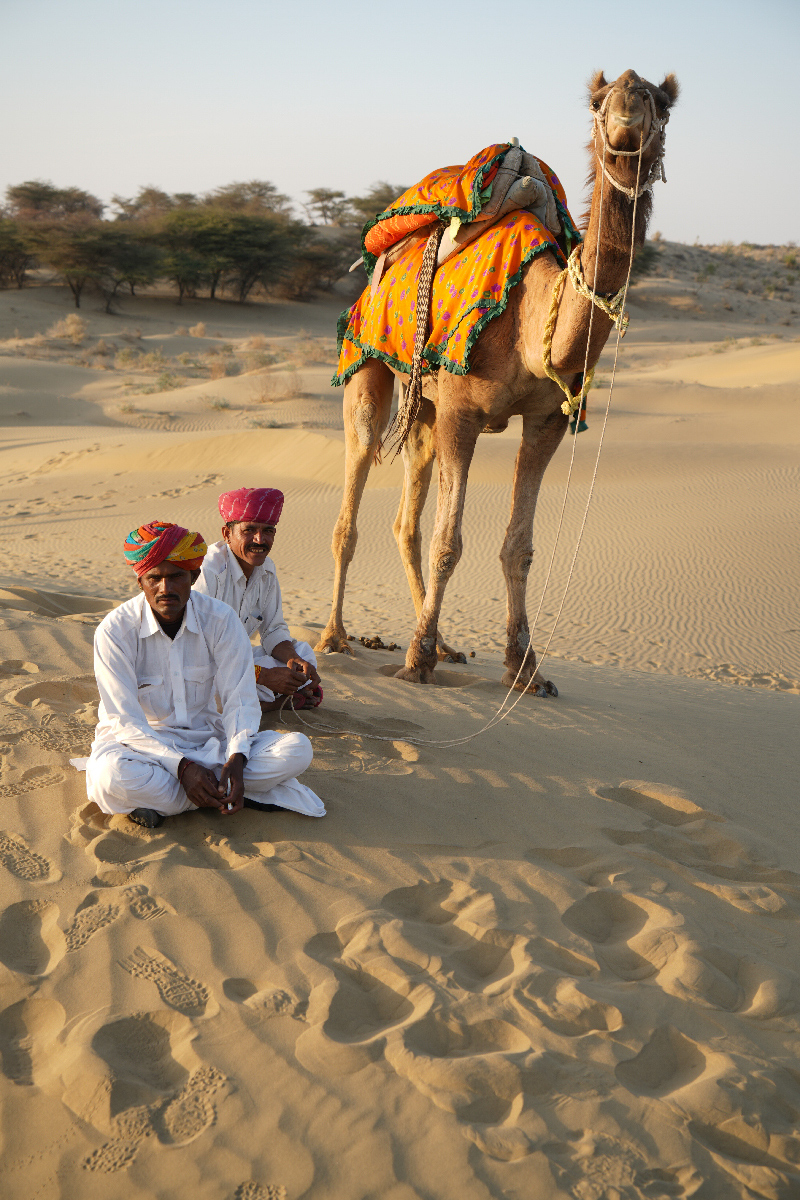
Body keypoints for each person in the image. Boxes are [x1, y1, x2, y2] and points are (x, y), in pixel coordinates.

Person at [85, 520, 325, 829]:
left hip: (211, 741)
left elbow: (239, 699)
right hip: (142, 748)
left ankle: (178, 800)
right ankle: (224, 794)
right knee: (111, 778)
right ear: (140, 581)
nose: (166, 589)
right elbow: (124, 722)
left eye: (176, 578)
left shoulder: (221, 620)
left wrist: (237, 759)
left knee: (297, 750)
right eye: (154, 579)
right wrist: (183, 769)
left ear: (194, 576)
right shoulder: (115, 631)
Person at [194, 487, 323, 710]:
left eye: (268, 531)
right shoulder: (208, 572)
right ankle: (274, 703)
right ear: (227, 534)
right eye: (249, 530)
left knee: (304, 653)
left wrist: (293, 659)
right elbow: (197, 648)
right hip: (199, 664)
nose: (259, 539)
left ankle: (276, 695)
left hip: (238, 663)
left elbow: (273, 631)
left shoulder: (267, 571)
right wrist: (262, 676)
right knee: (210, 690)